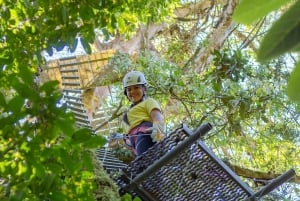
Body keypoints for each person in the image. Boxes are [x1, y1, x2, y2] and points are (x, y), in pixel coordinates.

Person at [122, 70, 165, 157]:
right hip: (136, 142)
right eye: (129, 89)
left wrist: (158, 127)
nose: (133, 91)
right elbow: (127, 138)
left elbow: (156, 115)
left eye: (136, 87)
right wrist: (123, 141)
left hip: (147, 134)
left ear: (144, 89)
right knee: (142, 159)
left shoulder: (148, 102)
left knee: (144, 158)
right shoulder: (125, 116)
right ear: (126, 93)